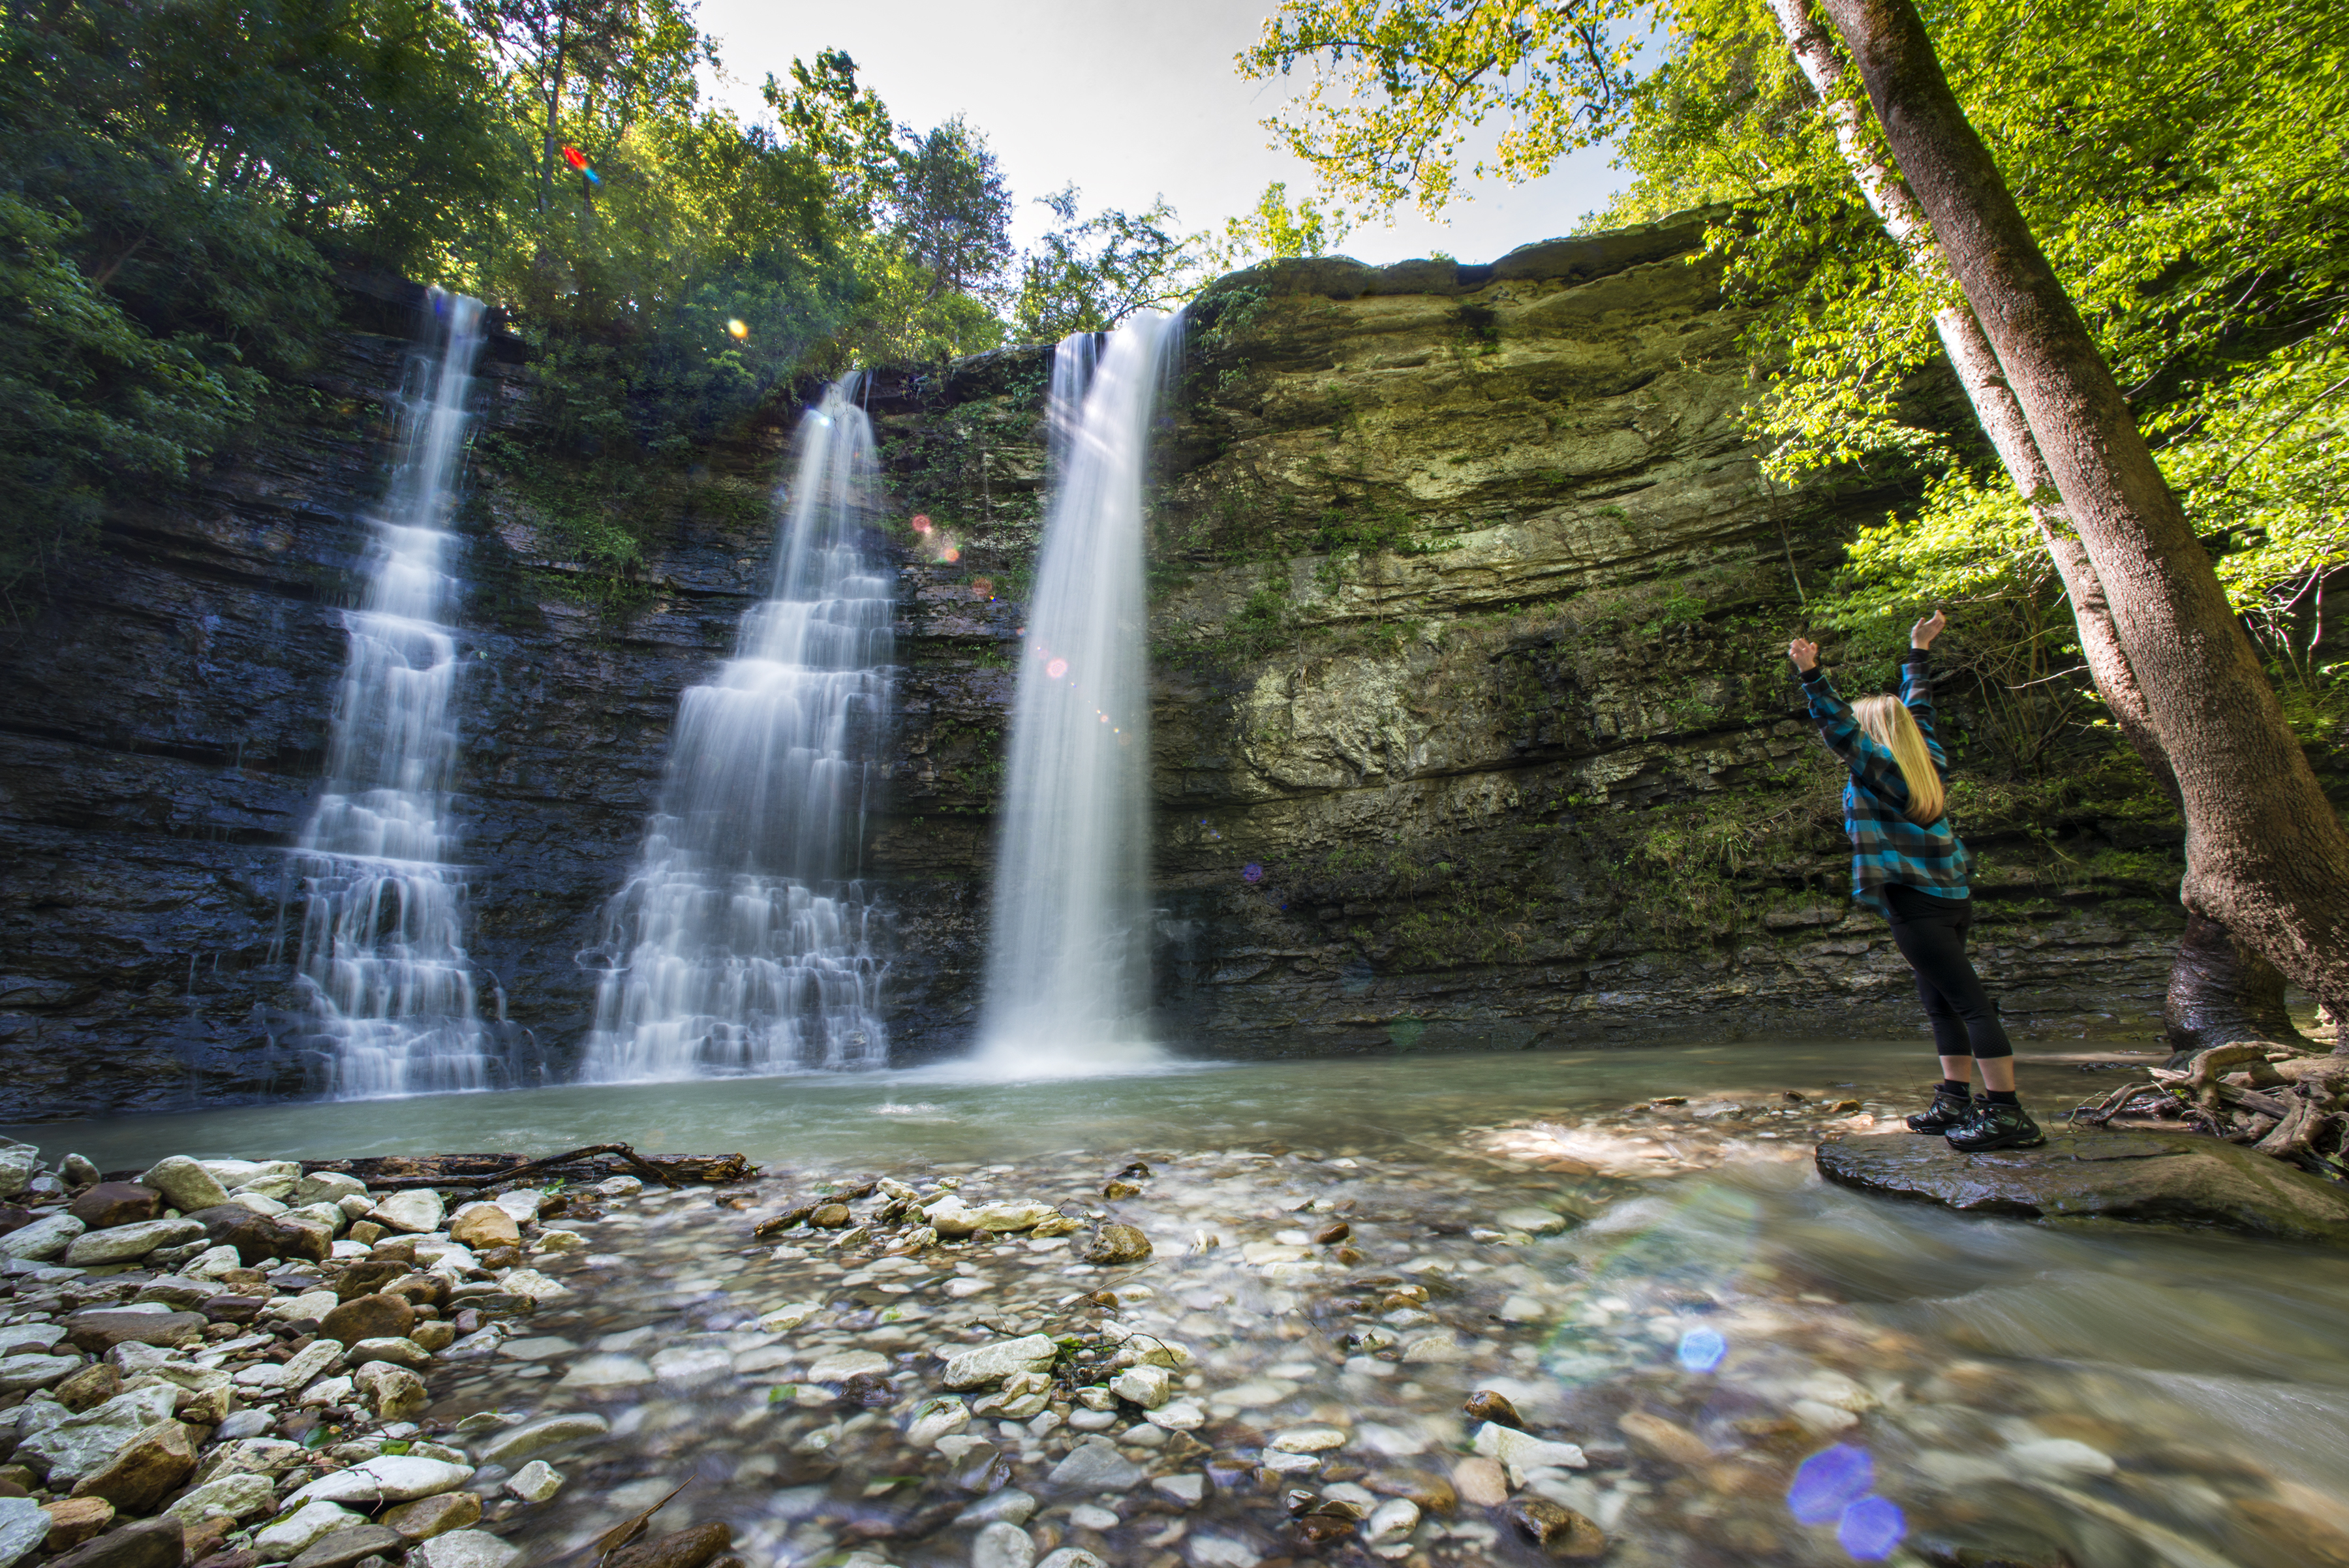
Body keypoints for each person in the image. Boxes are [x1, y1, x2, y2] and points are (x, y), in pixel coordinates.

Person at [1789, 610, 2044, 1152]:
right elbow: (1919, 708)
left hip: (1915, 902)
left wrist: (1811, 674)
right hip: (1950, 898)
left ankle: (2007, 1112)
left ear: (1875, 734)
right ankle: (1954, 1098)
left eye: (1865, 729)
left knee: (1971, 1004)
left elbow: (1838, 726)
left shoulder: (1878, 768)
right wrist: (1918, 651)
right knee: (1942, 1002)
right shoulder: (1926, 759)